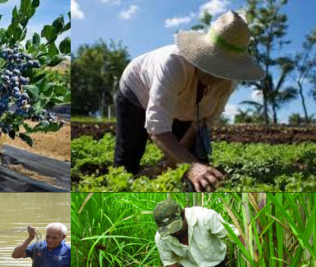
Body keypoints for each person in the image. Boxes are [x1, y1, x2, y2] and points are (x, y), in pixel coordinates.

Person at [114, 10, 265, 192]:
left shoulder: (228, 82)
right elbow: (157, 127)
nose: (218, 75)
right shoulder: (174, 64)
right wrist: (191, 165)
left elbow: (200, 123)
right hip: (136, 93)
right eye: (215, 65)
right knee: (127, 164)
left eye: (225, 69)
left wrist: (178, 161)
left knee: (198, 172)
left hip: (181, 108)